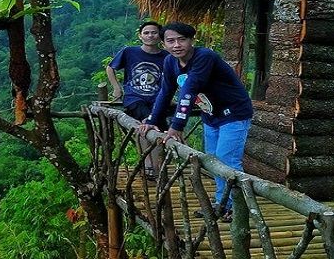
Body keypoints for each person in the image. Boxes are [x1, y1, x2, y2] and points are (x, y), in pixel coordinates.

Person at [137, 22, 252, 221]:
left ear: (192, 40)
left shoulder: (205, 57)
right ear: (163, 44)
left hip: (234, 113)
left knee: (228, 160)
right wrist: (152, 120)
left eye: (182, 40)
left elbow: (190, 89)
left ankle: (238, 210)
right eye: (170, 41)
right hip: (211, 115)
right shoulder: (170, 62)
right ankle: (222, 204)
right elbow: (165, 91)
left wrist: (176, 126)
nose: (176, 45)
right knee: (214, 159)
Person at [106, 21, 169, 177]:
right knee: (147, 125)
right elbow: (110, 67)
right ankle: (148, 166)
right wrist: (116, 87)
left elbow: (173, 77)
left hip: (157, 99)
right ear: (140, 36)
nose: (150, 35)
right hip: (134, 98)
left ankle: (154, 167)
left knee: (158, 130)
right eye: (146, 33)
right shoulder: (129, 52)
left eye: (154, 32)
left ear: (160, 35)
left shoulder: (167, 56)